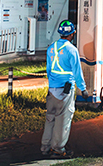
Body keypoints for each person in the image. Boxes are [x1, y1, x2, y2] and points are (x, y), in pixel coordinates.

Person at [41, 20, 88, 159]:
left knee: (50, 118)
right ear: (72, 33)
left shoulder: (51, 48)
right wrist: (83, 89)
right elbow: (77, 72)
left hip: (52, 89)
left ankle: (45, 147)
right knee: (63, 120)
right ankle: (58, 149)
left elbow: (48, 69)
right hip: (65, 90)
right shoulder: (72, 50)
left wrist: (51, 85)